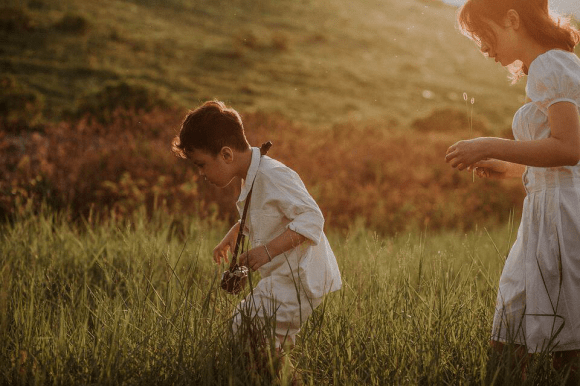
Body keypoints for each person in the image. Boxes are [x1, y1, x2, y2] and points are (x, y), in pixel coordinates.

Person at [445, 0, 580, 380]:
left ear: (512, 19)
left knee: (564, 341)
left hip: (564, 216)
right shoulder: (550, 66)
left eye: (482, 34)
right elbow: (554, 155)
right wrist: (508, 168)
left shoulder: (551, 65)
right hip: (545, 212)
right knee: (509, 332)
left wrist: (490, 144)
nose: (483, 47)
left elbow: (569, 149)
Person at [172, 100, 342, 377]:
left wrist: (266, 252)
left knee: (248, 329)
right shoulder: (251, 173)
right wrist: (235, 232)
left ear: (226, 154)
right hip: (284, 278)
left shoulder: (272, 175)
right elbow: (267, 213)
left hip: (300, 279)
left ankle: (281, 378)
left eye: (201, 165)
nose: (201, 174)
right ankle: (277, 377)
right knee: (256, 339)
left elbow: (312, 218)